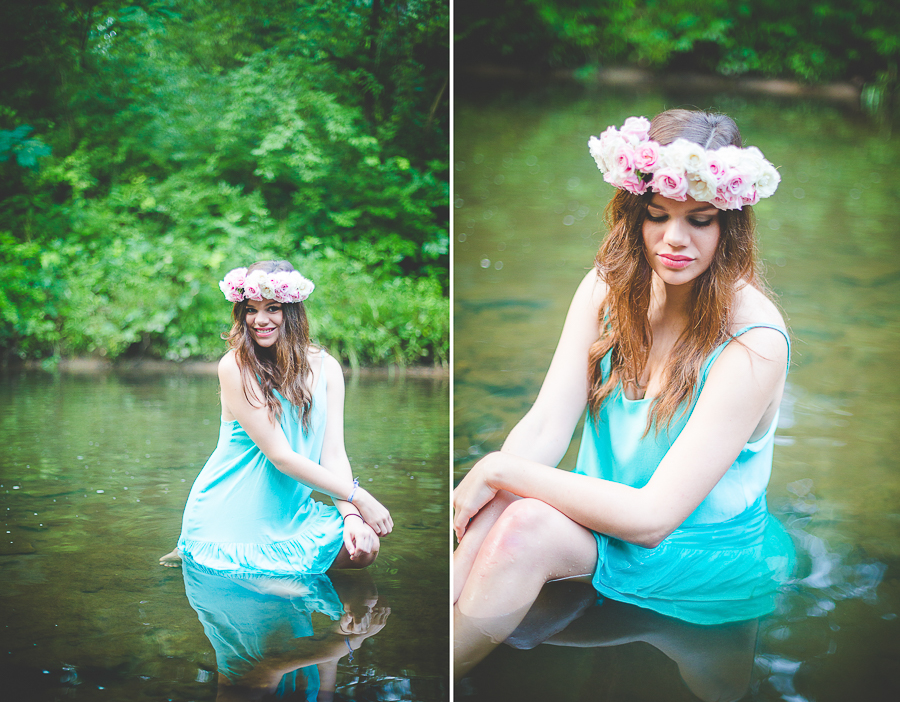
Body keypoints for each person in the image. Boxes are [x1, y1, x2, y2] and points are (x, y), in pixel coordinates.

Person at [452, 110, 795, 676]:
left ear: (729, 226)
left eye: (700, 220)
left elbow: (653, 518)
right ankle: (447, 646)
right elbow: (544, 427)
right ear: (633, 213)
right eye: (656, 216)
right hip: (604, 522)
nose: (674, 239)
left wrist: (492, 469)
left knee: (521, 512)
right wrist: (495, 486)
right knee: (507, 498)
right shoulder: (605, 291)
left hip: (693, 551)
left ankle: (447, 668)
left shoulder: (754, 341)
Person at [160, 259, 392, 574]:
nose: (260, 320)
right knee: (282, 596)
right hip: (232, 516)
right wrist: (359, 496)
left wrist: (351, 515)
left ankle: (339, 621)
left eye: (272, 308)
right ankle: (197, 549)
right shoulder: (235, 367)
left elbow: (333, 454)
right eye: (251, 310)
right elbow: (281, 457)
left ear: (292, 312)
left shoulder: (327, 368)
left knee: (365, 548)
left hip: (289, 513)